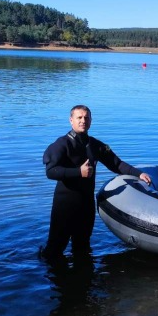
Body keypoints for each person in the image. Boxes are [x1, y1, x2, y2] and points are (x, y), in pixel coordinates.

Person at [41, 105, 151, 262]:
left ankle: (84, 283)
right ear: (71, 120)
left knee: (83, 247)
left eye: (86, 117)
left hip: (86, 205)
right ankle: (58, 283)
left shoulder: (95, 145)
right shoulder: (61, 144)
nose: (83, 121)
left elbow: (116, 164)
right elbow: (51, 171)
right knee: (55, 249)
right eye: (79, 117)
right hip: (64, 204)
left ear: (91, 121)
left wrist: (138, 173)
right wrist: (78, 172)